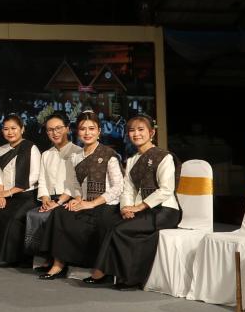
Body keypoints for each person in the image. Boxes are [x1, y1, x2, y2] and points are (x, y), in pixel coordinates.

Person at [91, 114, 181, 289]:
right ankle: (115, 274)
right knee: (109, 222)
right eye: (132, 130)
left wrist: (139, 207)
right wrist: (126, 208)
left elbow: (166, 189)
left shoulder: (164, 157)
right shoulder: (132, 160)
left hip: (164, 210)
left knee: (121, 229)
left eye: (141, 130)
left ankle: (124, 277)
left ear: (151, 133)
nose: (136, 134)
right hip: (142, 209)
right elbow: (128, 189)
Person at [40, 112, 122, 281]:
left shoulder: (109, 154)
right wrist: (78, 199)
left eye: (91, 129)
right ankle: (58, 264)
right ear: (77, 132)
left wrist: (92, 203)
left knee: (103, 221)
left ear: (99, 131)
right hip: (85, 203)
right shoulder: (76, 156)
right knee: (60, 214)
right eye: (83, 129)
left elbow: (118, 187)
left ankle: (101, 270)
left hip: (107, 204)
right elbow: (75, 185)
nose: (87, 133)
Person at [23, 114, 83, 271]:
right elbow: (42, 180)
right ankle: (46, 257)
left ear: (67, 129)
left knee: (50, 216)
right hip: (50, 198)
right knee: (33, 214)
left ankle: (59, 260)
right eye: (50, 130)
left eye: (58, 128)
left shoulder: (78, 152)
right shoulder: (46, 154)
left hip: (70, 198)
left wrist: (57, 202)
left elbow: (74, 183)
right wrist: (45, 199)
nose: (54, 133)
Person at [0, 115, 43, 266]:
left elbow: (34, 176)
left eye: (13, 128)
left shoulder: (31, 147)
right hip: (6, 194)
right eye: (6, 129)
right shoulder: (1, 150)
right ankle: (1, 257)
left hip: (27, 195)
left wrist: (10, 192)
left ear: (22, 129)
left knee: (14, 219)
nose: (10, 132)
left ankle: (18, 259)